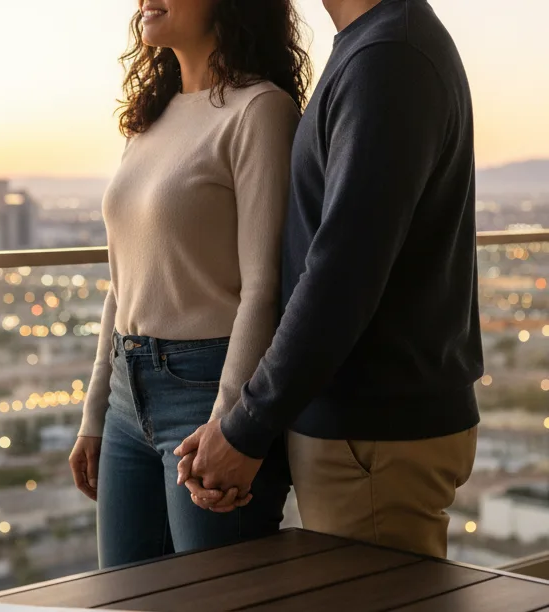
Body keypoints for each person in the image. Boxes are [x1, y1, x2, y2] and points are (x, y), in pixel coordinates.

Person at [175, 0, 482, 559]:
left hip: (372, 433)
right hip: (368, 430)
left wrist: (245, 426)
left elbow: (342, 274)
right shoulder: (376, 45)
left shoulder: (388, 55)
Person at [68, 0, 312, 568]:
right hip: (128, 396)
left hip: (209, 390)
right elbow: (120, 285)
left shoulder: (261, 112)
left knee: (211, 594)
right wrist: (96, 412)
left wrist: (231, 423)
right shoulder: (152, 117)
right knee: (124, 597)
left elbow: (263, 290)